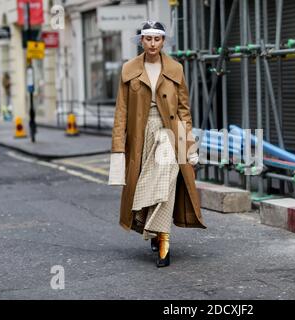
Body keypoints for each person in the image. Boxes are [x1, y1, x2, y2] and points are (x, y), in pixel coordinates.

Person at [108, 20, 206, 268]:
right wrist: (119, 149)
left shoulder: (176, 69)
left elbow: (184, 111)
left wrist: (188, 146)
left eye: (157, 39)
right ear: (141, 41)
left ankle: (163, 240)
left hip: (169, 135)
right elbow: (121, 112)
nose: (153, 44)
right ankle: (152, 229)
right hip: (140, 136)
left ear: (163, 41)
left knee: (164, 184)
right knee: (147, 185)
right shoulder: (129, 69)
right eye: (148, 39)